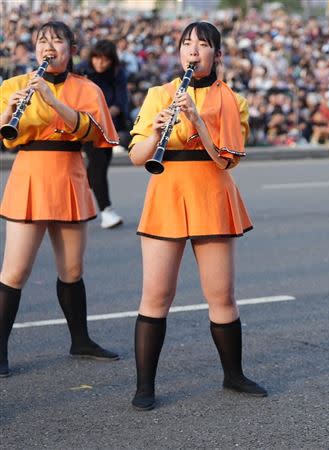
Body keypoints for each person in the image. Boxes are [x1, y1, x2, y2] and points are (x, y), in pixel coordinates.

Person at [127, 21, 266, 411]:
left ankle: (233, 375)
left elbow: (227, 159)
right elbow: (137, 156)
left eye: (202, 45)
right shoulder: (159, 94)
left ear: (217, 55)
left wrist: (199, 122)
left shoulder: (232, 100)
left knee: (221, 296)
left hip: (212, 192)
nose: (193, 51)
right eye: (187, 44)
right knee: (156, 295)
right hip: (166, 191)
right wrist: (156, 132)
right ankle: (144, 386)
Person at [0, 21, 120, 378]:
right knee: (15, 270)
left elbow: (94, 133)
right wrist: (8, 113)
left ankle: (80, 340)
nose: (48, 46)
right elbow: (6, 134)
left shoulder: (86, 88)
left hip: (69, 171)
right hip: (30, 173)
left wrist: (51, 100)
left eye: (57, 40)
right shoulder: (13, 85)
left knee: (72, 270)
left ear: (71, 49)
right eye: (42, 41)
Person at [76, 39, 129, 229]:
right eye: (97, 58)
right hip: (87, 126)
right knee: (98, 166)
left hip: (108, 125)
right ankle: (106, 211)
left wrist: (107, 112)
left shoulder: (117, 72)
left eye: (105, 60)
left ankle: (77, 189)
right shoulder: (82, 70)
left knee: (100, 167)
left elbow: (121, 100)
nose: (100, 63)